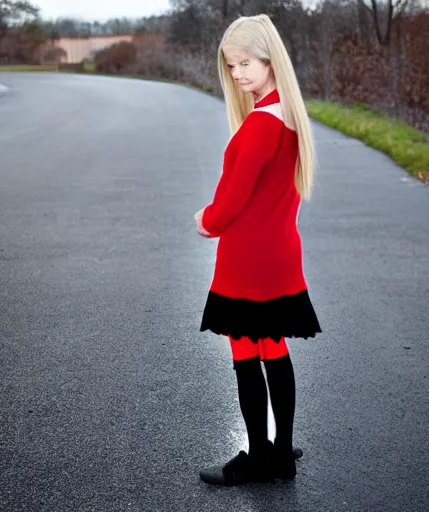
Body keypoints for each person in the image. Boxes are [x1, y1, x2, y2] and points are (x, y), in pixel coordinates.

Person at [194, 13, 321, 487]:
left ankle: (256, 457)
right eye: (232, 66)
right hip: (282, 253)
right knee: (275, 346)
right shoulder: (287, 113)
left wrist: (204, 222)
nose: (239, 74)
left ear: (270, 59)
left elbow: (227, 205)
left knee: (245, 351)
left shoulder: (257, 127)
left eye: (246, 62)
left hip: (246, 260)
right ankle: (282, 452)